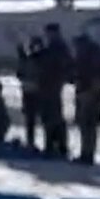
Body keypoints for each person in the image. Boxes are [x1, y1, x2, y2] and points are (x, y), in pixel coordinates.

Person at [71, 31, 100, 166]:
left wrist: (85, 88)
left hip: (88, 91)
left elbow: (90, 74)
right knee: (88, 125)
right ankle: (87, 153)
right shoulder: (93, 52)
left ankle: (87, 154)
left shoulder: (88, 55)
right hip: (89, 91)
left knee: (87, 124)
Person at [34, 23, 73, 160]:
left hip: (52, 84)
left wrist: (41, 53)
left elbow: (52, 63)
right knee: (50, 115)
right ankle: (54, 145)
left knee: (53, 116)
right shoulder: (54, 47)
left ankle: (56, 146)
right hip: (49, 84)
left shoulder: (58, 47)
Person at [14, 35, 44, 152]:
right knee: (30, 119)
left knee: (39, 119)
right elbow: (20, 73)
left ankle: (46, 144)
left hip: (38, 92)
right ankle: (30, 142)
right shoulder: (28, 59)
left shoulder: (41, 59)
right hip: (29, 92)